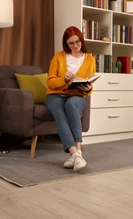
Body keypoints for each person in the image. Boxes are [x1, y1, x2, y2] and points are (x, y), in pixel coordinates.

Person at [45, 26, 96, 172]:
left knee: (72, 104)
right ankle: (76, 153)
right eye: (71, 43)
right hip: (55, 95)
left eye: (77, 42)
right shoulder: (58, 57)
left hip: (77, 95)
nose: (75, 46)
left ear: (82, 40)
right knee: (60, 111)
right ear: (65, 44)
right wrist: (63, 79)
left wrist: (89, 88)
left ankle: (76, 152)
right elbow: (50, 82)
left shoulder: (90, 59)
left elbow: (90, 81)